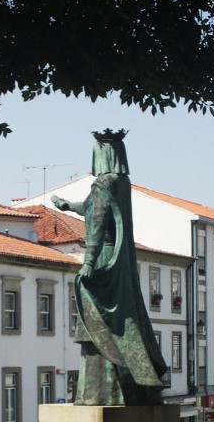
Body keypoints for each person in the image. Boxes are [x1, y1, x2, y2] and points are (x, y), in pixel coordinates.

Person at [51, 129, 168, 405]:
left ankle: (101, 393)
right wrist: (71, 206)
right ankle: (133, 387)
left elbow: (99, 220)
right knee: (120, 323)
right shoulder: (121, 183)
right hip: (120, 264)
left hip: (102, 257)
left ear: (101, 155)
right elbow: (96, 208)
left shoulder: (103, 182)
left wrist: (89, 262)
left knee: (97, 322)